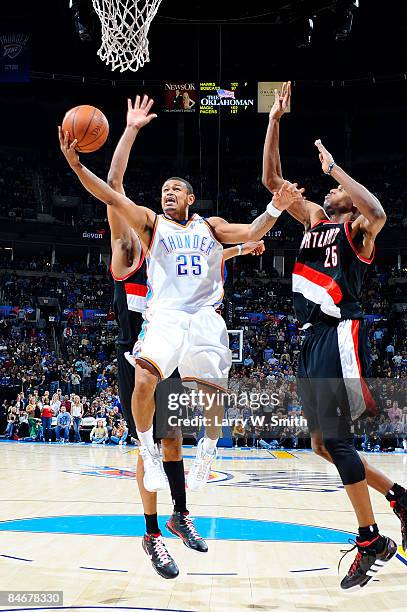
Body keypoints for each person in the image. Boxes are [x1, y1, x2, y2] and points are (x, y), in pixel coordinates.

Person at [105, 95, 267, 578]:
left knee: (174, 441)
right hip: (140, 351)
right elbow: (113, 187)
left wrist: (237, 251)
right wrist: (130, 129)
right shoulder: (129, 242)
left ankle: (180, 514)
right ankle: (151, 534)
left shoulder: (178, 249)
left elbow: (198, 262)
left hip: (174, 343)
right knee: (149, 447)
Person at [262, 81, 407, 589]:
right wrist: (275, 119)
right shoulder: (313, 219)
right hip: (309, 338)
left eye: (335, 191)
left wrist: (337, 171)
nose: (326, 193)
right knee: (323, 444)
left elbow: (379, 212)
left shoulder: (356, 231)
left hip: (337, 332)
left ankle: (370, 539)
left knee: (338, 440)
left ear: (347, 194)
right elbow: (272, 179)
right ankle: (398, 498)